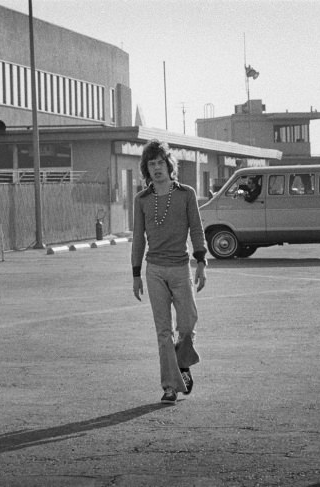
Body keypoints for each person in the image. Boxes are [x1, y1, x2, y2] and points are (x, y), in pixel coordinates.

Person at [131, 139, 208, 405]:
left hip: (180, 268)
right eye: (151, 164)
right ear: (146, 169)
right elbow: (138, 239)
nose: (156, 168)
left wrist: (201, 262)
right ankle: (170, 386)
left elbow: (197, 230)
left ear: (169, 165)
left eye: (160, 163)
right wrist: (135, 274)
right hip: (154, 271)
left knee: (187, 324)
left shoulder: (186, 194)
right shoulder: (141, 200)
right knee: (163, 331)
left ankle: (182, 362)